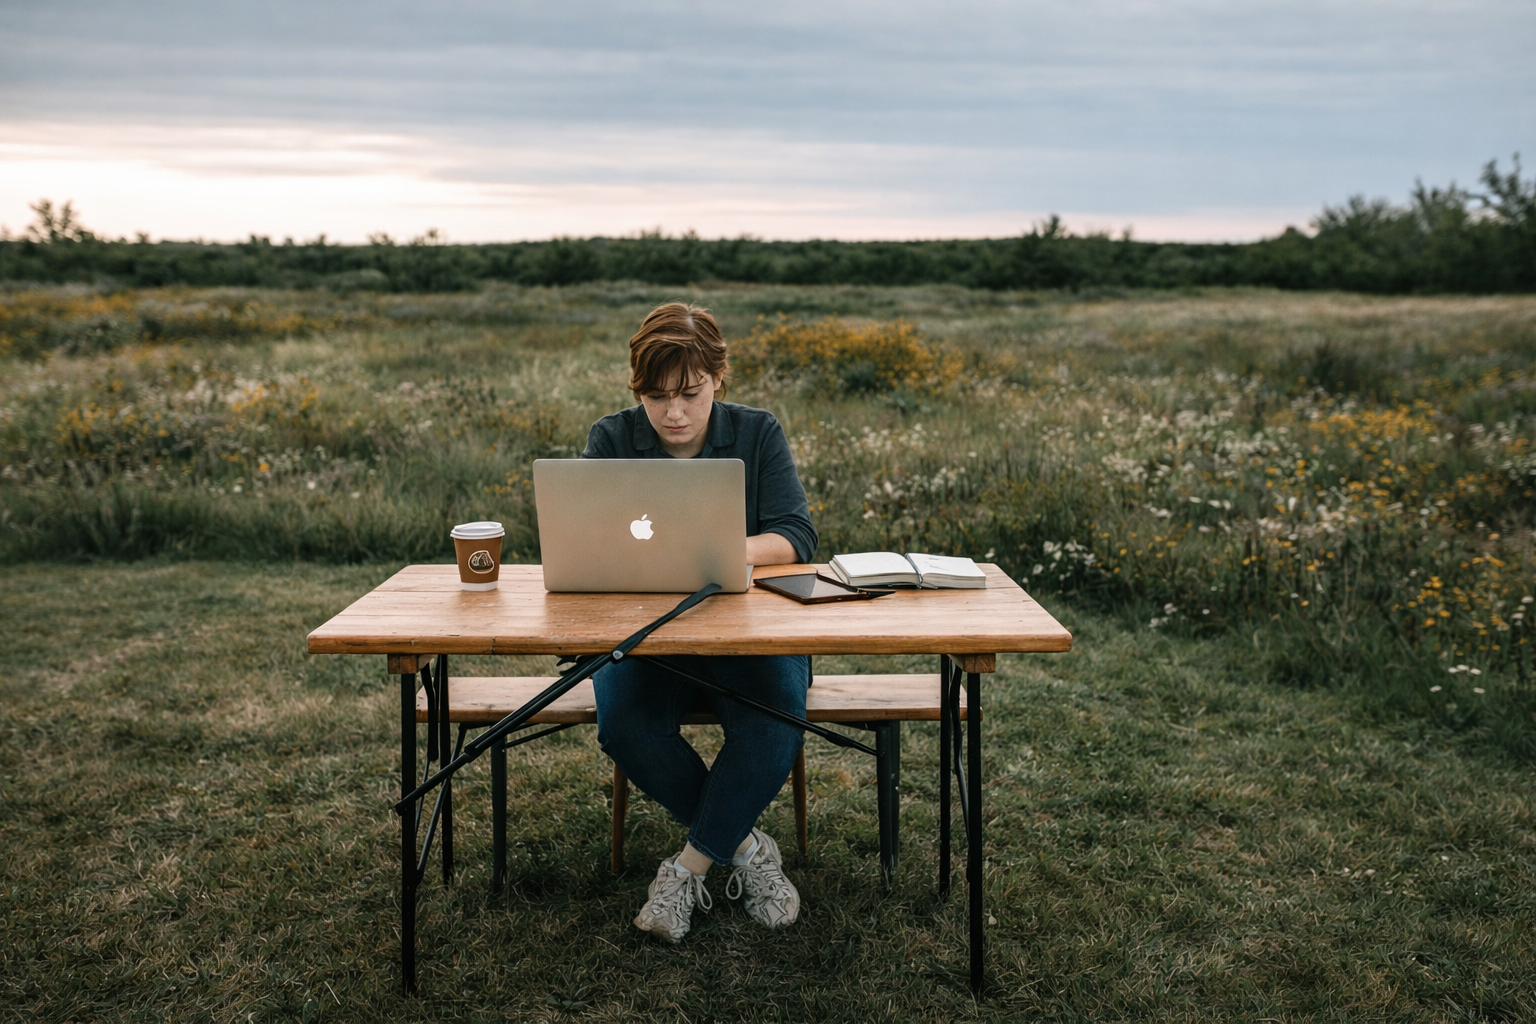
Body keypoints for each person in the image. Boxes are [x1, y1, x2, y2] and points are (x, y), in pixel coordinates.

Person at [582, 302, 817, 943]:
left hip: (750, 627)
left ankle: (687, 870)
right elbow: (588, 543)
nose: (675, 413)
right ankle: (744, 849)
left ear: (719, 377)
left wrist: (717, 548)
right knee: (625, 724)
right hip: (645, 634)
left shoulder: (757, 432)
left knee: (777, 712)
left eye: (690, 393)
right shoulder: (610, 439)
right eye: (657, 397)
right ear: (638, 391)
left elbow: (796, 535)